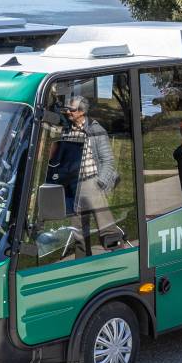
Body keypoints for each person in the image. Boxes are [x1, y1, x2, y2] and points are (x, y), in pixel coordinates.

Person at [57, 96, 122, 249]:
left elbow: (108, 161)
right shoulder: (67, 131)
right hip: (74, 186)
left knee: (106, 228)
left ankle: (118, 256)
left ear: (81, 112)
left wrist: (100, 182)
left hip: (92, 183)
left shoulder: (96, 130)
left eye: (71, 110)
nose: (68, 112)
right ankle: (81, 264)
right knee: (78, 231)